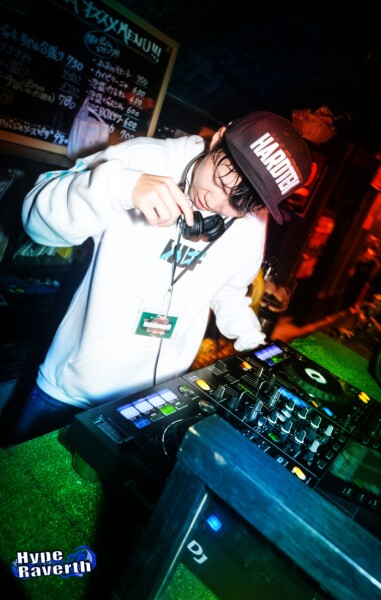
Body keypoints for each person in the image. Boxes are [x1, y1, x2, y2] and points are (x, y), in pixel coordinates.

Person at [3, 111, 312, 444]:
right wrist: (120, 186)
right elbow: (35, 220)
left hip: (155, 404)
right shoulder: (145, 157)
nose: (214, 201)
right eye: (221, 180)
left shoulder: (252, 218)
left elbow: (228, 290)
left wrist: (253, 341)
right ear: (218, 138)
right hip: (70, 391)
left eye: (236, 204)